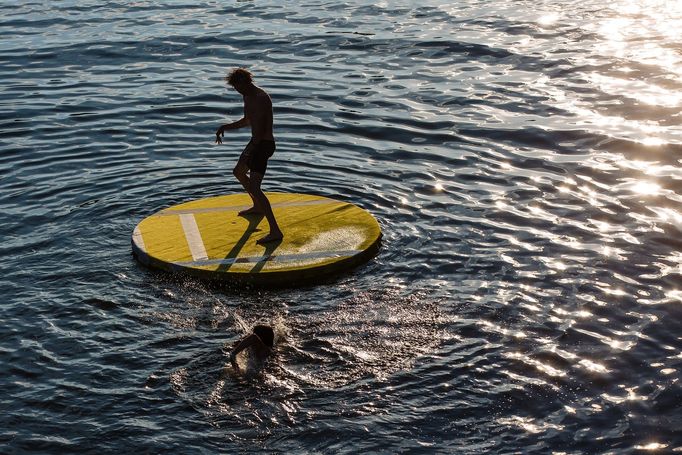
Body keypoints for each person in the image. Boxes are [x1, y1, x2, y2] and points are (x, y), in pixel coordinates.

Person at [215, 68, 283, 244]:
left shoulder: (261, 98)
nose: (238, 91)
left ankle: (275, 231)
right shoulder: (247, 96)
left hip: (262, 145)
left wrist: (250, 151)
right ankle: (257, 206)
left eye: (238, 87)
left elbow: (259, 132)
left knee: (255, 186)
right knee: (238, 171)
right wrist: (225, 127)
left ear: (246, 82)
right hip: (255, 143)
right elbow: (247, 120)